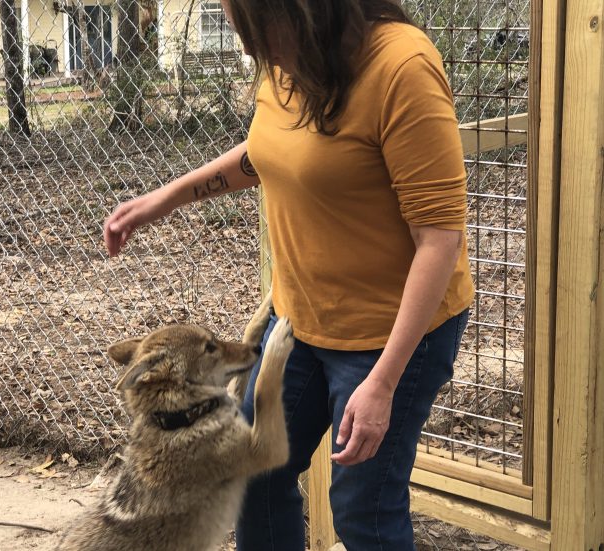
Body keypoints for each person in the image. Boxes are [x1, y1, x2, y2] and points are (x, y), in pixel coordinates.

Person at [103, 0, 474, 548]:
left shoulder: (402, 68)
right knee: (253, 475)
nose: (257, 52)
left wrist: (383, 383)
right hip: (298, 320)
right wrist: (168, 197)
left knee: (362, 511)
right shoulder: (290, 57)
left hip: (389, 336)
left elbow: (440, 239)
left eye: (261, 32)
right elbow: (271, 152)